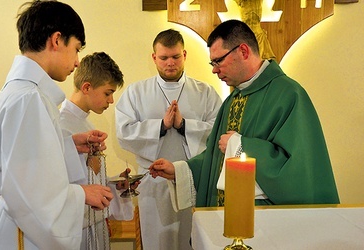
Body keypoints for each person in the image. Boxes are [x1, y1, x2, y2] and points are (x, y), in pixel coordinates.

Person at [149, 20, 340, 211]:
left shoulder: (288, 94)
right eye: (212, 63)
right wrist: (180, 170)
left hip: (265, 218)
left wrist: (240, 146)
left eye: (218, 61)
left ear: (243, 51)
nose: (214, 69)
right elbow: (216, 159)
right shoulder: (232, 100)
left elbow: (299, 169)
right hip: (228, 217)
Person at [0, 1, 113, 249]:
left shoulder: (24, 91)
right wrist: (83, 193)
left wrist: (68, 144)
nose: (76, 62)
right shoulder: (28, 97)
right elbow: (30, 191)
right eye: (76, 49)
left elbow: (25, 163)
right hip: (22, 235)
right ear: (56, 40)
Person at [115, 29, 222, 250]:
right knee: (158, 242)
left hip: (193, 180)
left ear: (184, 55)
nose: (170, 63)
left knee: (193, 241)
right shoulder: (136, 92)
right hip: (153, 184)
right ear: (154, 57)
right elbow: (124, 132)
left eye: (175, 57)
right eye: (163, 58)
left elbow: (220, 132)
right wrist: (161, 127)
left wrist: (184, 126)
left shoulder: (206, 92)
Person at [59, 52, 136, 250]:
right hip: (75, 231)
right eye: (107, 92)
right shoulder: (60, 125)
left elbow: (86, 178)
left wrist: (115, 184)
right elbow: (60, 187)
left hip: (93, 224)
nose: (111, 101)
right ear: (86, 87)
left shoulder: (85, 121)